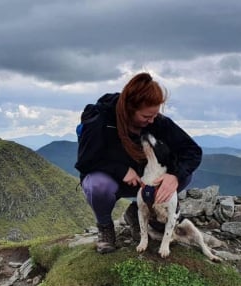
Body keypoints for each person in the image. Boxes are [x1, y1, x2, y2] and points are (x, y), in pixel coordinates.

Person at [75, 72, 202, 254]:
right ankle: (105, 228)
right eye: (146, 116)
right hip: (111, 180)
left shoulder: (156, 121)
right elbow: (85, 161)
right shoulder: (100, 119)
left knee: (185, 174)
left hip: (146, 181)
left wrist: (174, 176)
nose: (151, 120)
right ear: (129, 108)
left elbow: (192, 150)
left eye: (154, 115)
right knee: (97, 186)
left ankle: (138, 211)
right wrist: (120, 170)